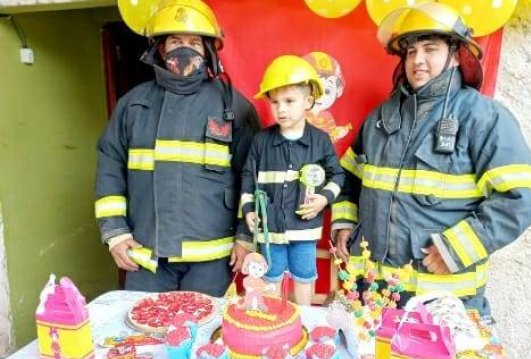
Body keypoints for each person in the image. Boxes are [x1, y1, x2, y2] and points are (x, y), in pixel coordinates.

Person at [332, 2, 531, 318]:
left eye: (430, 49)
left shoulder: (484, 118)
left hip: (444, 309)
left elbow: (519, 201)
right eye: (411, 51)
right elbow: (347, 177)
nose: (418, 60)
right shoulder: (379, 118)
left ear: (456, 55)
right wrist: (345, 222)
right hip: (372, 302)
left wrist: (456, 248)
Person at [95, 0, 260, 296]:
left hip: (212, 260)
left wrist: (246, 237)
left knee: (205, 335)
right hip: (147, 258)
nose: (184, 49)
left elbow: (253, 177)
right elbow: (110, 168)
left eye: (194, 42)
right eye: (175, 40)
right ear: (160, 48)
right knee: (144, 335)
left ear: (207, 50)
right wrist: (115, 233)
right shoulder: (133, 105)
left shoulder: (233, 106)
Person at [240, 55, 345, 305]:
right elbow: (247, 176)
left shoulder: (320, 140)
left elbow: (338, 175)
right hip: (269, 230)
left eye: (289, 101)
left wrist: (323, 199)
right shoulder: (260, 141)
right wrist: (247, 210)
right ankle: (277, 323)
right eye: (275, 102)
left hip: (305, 230)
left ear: (308, 101)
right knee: (271, 278)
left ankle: (304, 322)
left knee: (304, 277)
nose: (281, 109)